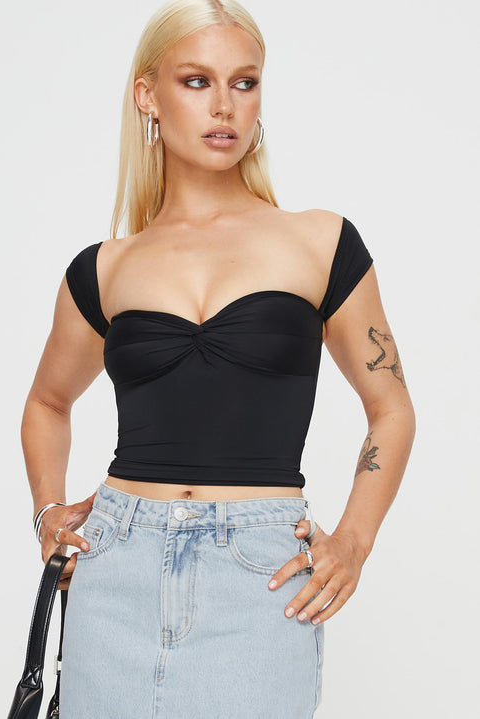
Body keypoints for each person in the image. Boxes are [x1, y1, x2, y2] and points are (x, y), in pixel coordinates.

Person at [21, 1, 416, 717]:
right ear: (148, 96)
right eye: (197, 81)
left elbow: (389, 407)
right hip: (116, 568)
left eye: (244, 82)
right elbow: (48, 401)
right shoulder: (105, 266)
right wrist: (49, 512)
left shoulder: (319, 242)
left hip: (261, 576)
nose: (225, 105)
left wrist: (353, 541)